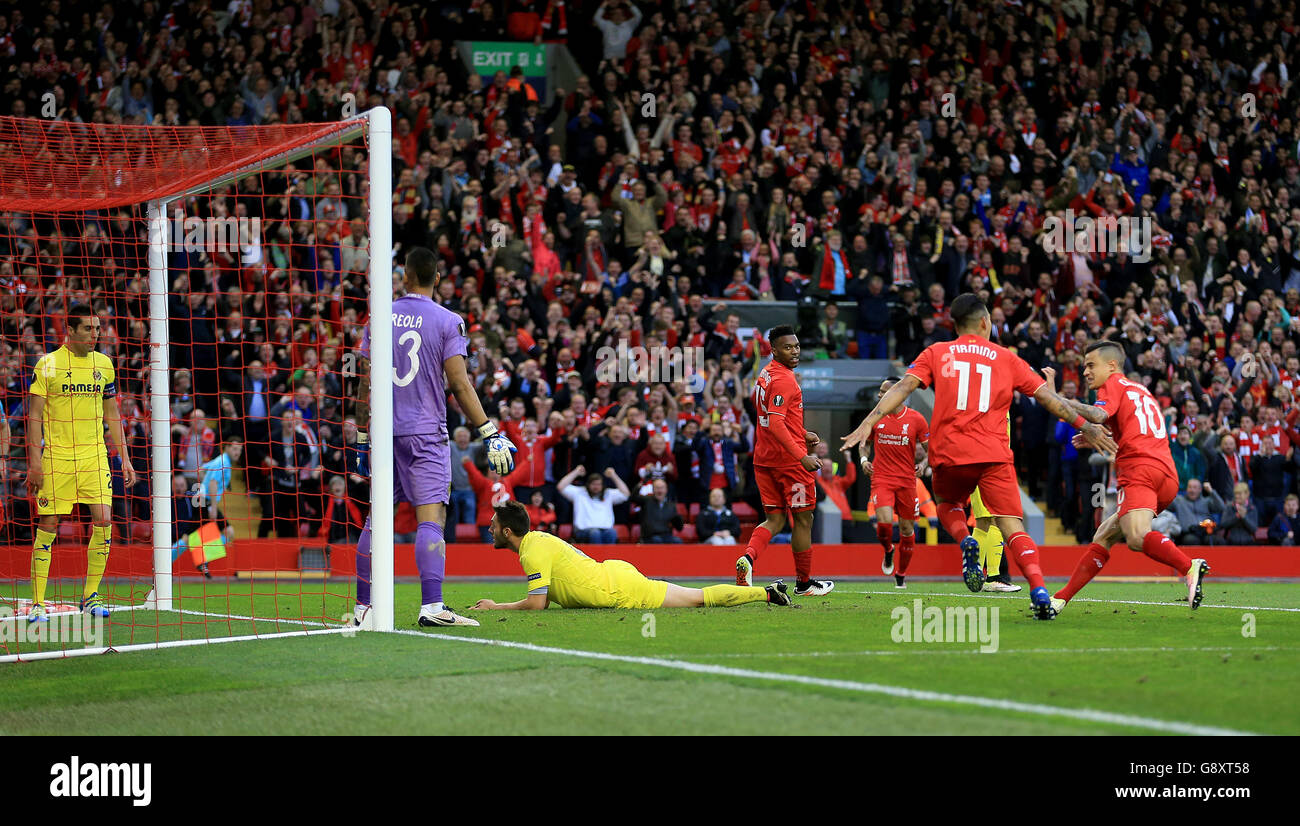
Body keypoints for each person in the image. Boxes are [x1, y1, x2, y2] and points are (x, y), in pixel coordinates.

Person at [842, 293, 1117, 619]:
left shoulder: (937, 352)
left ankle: (965, 542)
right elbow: (1048, 399)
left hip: (949, 453)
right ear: (985, 322)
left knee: (947, 506)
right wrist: (1086, 426)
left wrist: (869, 421)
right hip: (994, 456)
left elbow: (903, 387)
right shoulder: (1006, 357)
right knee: (1012, 526)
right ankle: (1039, 589)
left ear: (954, 324)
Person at [351, 247, 517, 629]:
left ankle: (363, 610)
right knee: (431, 518)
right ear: (437, 278)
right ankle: (432, 606)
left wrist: (362, 435)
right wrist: (489, 431)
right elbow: (458, 382)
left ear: (404, 277)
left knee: (377, 521)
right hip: (425, 433)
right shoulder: (447, 320)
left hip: (384, 432)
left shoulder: (379, 317)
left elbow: (364, 384)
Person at [1046, 341, 1211, 614]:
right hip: (1166, 476)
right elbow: (1136, 429)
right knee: (1105, 534)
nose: (1085, 372)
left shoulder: (1112, 384)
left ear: (1111, 366)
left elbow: (1098, 414)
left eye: (1090, 365)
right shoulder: (1141, 390)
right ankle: (1059, 599)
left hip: (1140, 471)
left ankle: (1188, 566)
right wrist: (1103, 437)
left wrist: (1059, 400)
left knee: (1135, 537)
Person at [24, 304, 138, 622]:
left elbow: (113, 414)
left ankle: (90, 595)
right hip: (57, 458)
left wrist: (124, 457)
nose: (95, 334)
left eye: (98, 329)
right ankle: (37, 602)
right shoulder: (48, 365)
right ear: (70, 330)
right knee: (48, 527)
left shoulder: (104, 364)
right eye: (88, 328)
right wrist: (34, 461)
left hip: (94, 456)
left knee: (104, 521)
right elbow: (34, 416)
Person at [470, 500, 791, 611]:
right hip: (613, 575)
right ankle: (764, 593)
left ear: (508, 532)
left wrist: (497, 606)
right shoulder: (535, 543)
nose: (490, 529)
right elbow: (550, 593)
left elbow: (537, 604)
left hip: (619, 589)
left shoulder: (532, 550)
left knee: (697, 599)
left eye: (494, 526)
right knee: (695, 596)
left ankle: (764, 593)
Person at [735, 325, 834, 597]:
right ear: (774, 350)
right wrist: (802, 455)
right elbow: (777, 424)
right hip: (789, 464)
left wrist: (802, 432)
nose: (795, 351)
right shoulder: (785, 380)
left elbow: (771, 417)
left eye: (797, 346)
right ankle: (804, 583)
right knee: (803, 520)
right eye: (788, 347)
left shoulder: (765, 375)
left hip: (763, 460)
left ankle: (748, 559)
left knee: (774, 519)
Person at [858, 378, 928, 588]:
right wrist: (863, 460)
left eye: (884, 392)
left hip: (907, 480)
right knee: (885, 522)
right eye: (880, 392)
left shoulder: (916, 419)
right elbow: (864, 445)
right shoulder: (874, 418)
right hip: (882, 478)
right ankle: (888, 550)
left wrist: (924, 464)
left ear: (899, 394)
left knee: (907, 530)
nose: (879, 396)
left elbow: (929, 450)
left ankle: (902, 574)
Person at [558, 464, 629, 544]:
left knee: (612, 533)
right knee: (595, 533)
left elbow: (626, 494)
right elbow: (561, 487)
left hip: (605, 530)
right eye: (593, 484)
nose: (596, 487)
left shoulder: (608, 494)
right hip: (583, 532)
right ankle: (596, 556)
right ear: (588, 484)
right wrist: (576, 472)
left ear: (602, 485)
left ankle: (610, 556)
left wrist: (613, 476)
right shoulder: (579, 493)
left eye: (598, 484)